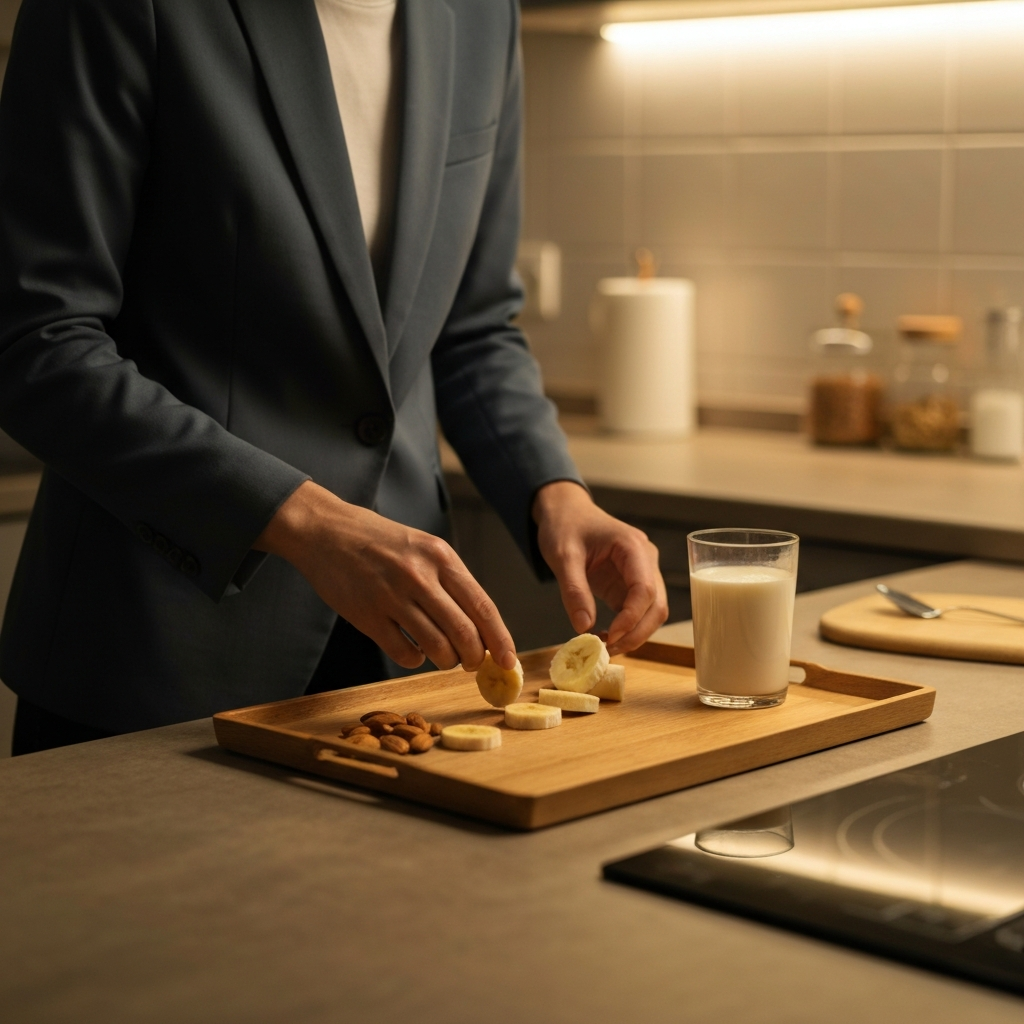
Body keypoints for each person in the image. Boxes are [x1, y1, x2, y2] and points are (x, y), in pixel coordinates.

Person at [0, 0, 667, 755]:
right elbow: (36, 341)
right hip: (154, 656)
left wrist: (555, 492)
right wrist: (307, 521)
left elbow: (472, 326)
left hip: (398, 666)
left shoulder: (483, 15)